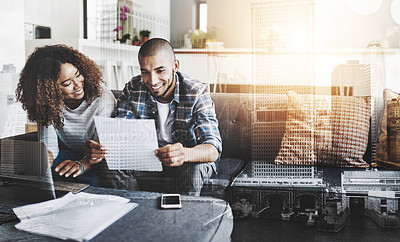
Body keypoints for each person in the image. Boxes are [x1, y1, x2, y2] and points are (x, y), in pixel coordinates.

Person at [86, 38, 222, 195]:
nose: (152, 80)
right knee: (109, 165)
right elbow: (121, 133)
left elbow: (213, 149)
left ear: (175, 66)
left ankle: (180, 218)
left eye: (160, 70)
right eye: (145, 72)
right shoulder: (134, 88)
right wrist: (102, 148)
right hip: (147, 160)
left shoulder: (196, 92)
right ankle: (132, 214)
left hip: (187, 161)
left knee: (194, 171)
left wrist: (184, 153)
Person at [16, 44, 116, 186]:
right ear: (49, 89)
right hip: (65, 154)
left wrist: (83, 164)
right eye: (67, 83)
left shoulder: (101, 96)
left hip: (97, 157)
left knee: (93, 180)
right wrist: (44, 160)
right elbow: (49, 143)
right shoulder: (47, 103)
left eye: (78, 75)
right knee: (43, 177)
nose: (78, 85)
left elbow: (101, 147)